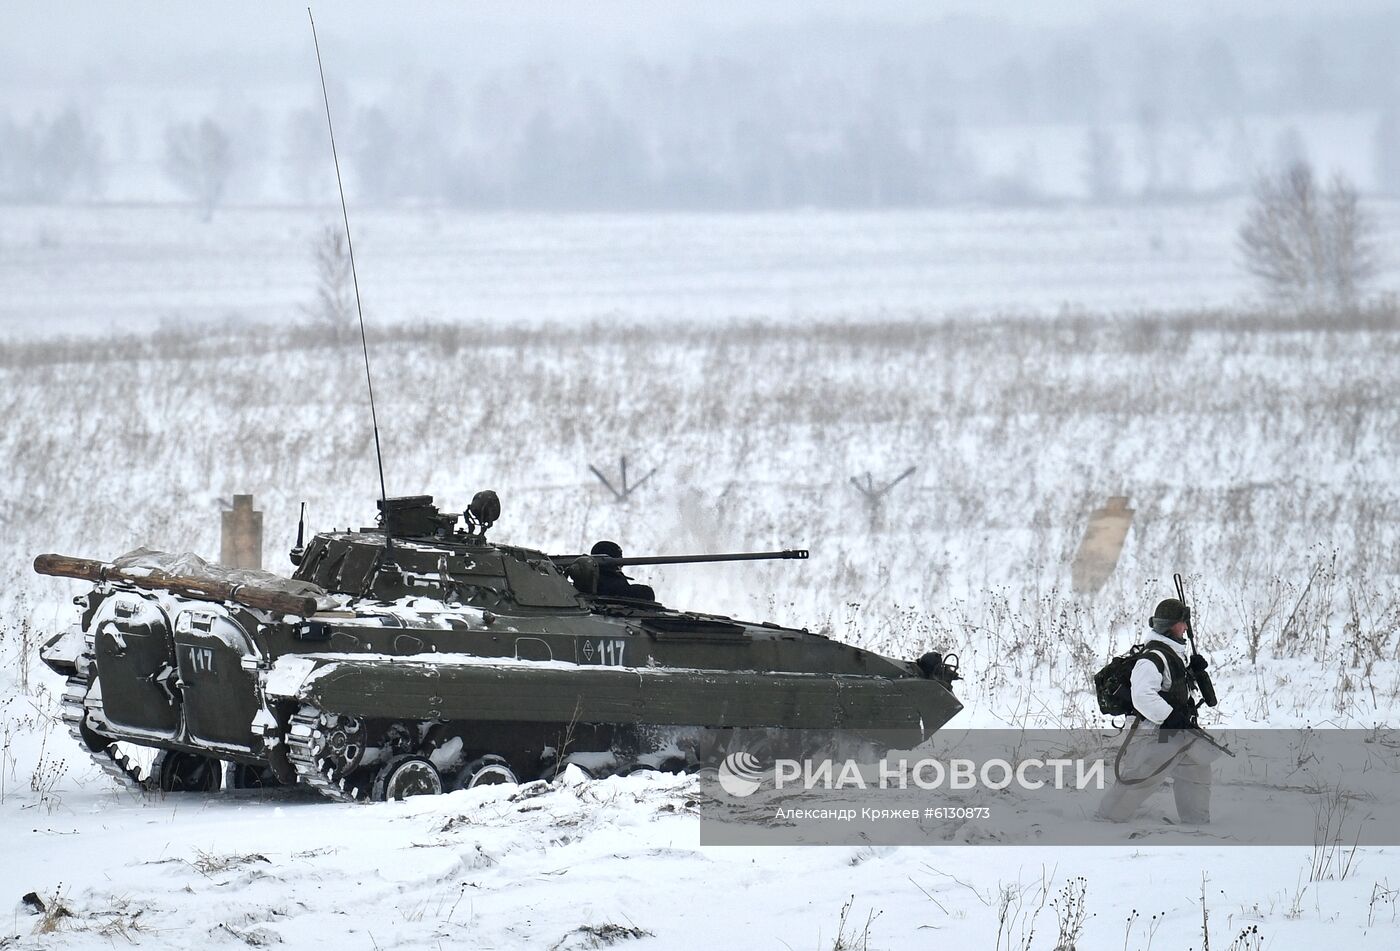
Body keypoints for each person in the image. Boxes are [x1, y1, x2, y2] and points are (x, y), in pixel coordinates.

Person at [1095, 597, 1217, 824]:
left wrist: (1194, 671)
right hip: (1153, 735)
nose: (1186, 627)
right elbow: (1142, 696)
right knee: (1140, 780)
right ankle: (1105, 823)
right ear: (1173, 626)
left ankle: (1196, 826)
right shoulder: (1152, 659)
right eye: (1183, 623)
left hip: (1179, 733)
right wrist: (1171, 717)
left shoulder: (1172, 653)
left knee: (1197, 771)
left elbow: (1175, 688)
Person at [590, 540, 655, 601]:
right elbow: (619, 592)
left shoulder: (590, 575)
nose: (622, 564)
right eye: (618, 560)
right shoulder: (608, 579)